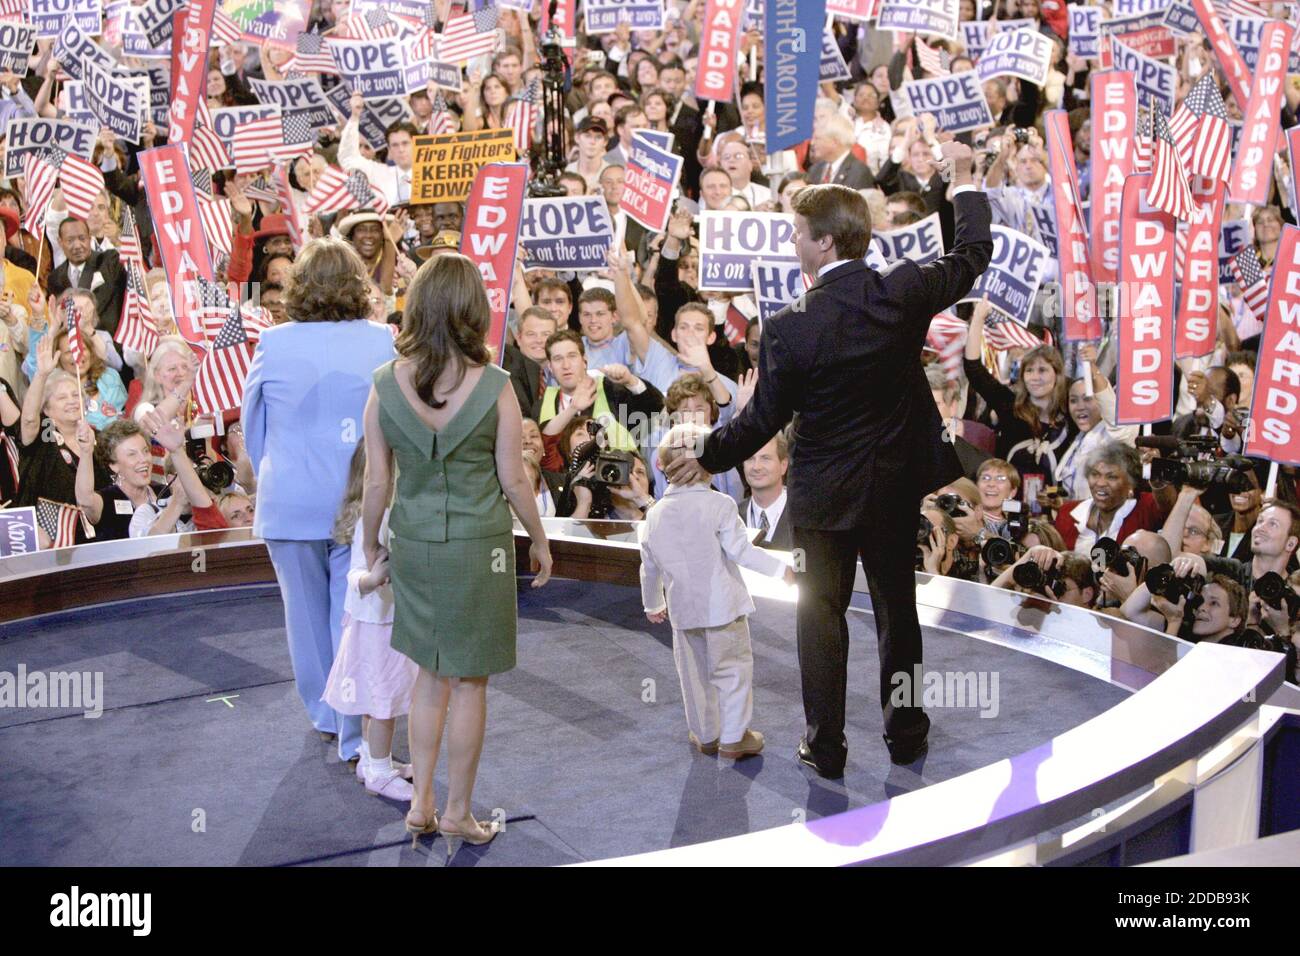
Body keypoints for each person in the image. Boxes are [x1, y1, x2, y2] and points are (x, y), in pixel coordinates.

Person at [667, 145, 993, 775]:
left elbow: (760, 421)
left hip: (823, 497)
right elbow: (972, 256)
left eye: (795, 232)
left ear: (821, 244)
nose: (791, 241)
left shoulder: (792, 326)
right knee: (899, 613)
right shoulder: (903, 290)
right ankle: (906, 735)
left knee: (822, 619)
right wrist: (970, 185)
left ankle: (827, 745)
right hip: (895, 491)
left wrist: (707, 455)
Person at [360, 253, 553, 855]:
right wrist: (540, 541)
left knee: (428, 673)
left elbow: (374, 481)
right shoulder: (495, 386)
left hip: (412, 544)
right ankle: (459, 813)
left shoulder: (384, 383)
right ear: (474, 309)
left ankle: (420, 805)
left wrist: (370, 543)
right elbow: (516, 479)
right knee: (469, 682)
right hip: (479, 550)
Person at [242, 238, 397, 765]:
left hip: (291, 502)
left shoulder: (274, 342)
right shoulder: (382, 340)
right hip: (361, 501)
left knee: (305, 621)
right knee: (352, 616)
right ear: (358, 284)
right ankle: (355, 734)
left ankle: (327, 718)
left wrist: (279, 473)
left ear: (299, 285)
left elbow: (252, 427)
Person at [640, 422, 794, 759]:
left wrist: (653, 604)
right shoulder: (720, 505)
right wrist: (781, 569)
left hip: (682, 613)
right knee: (733, 672)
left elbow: (648, 567)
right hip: (723, 610)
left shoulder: (653, 516)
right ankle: (734, 738)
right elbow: (742, 551)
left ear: (660, 467)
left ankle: (706, 735)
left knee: (693, 677)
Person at [322, 443, 418, 801]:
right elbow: (356, 575)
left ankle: (371, 757)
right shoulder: (373, 518)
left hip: (378, 621)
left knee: (375, 698)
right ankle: (378, 770)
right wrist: (373, 578)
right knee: (383, 701)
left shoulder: (384, 513)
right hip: (379, 624)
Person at [46, 218, 126, 337]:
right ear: (60, 242)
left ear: (89, 237)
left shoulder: (109, 261)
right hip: (71, 347)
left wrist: (118, 241)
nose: (77, 245)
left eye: (82, 238)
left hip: (108, 345)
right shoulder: (55, 278)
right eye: (70, 240)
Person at [739, 432, 791, 549]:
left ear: (783, 465)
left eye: (765, 458)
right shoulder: (731, 516)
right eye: (750, 459)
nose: (756, 467)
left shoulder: (804, 515)